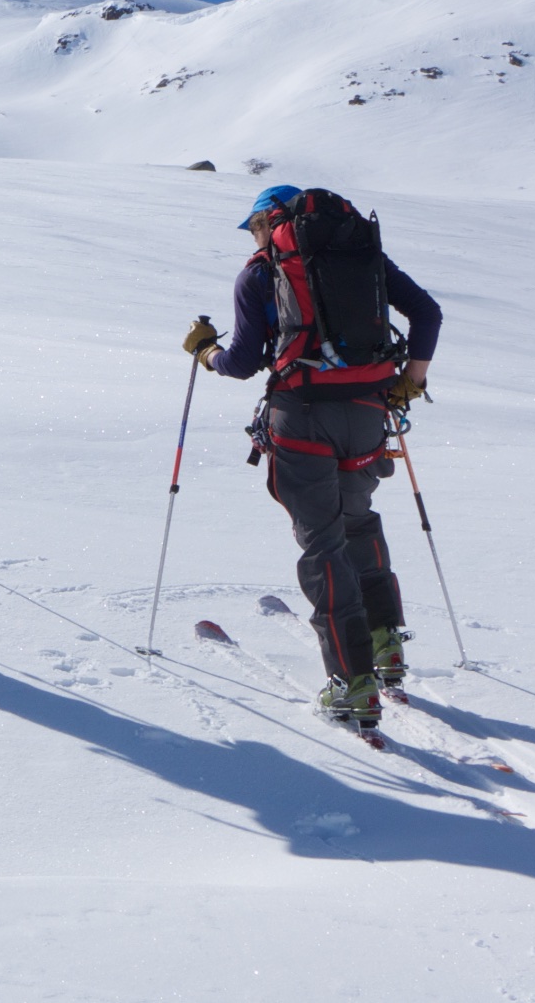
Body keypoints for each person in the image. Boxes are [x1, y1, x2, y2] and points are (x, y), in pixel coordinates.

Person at [182, 184, 440, 728]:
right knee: (359, 521)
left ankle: (352, 684)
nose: (252, 237)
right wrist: (410, 381)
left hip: (301, 416)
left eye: (252, 227)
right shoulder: (363, 256)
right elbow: (427, 312)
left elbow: (243, 361)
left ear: (266, 223)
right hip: (369, 410)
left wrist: (206, 353)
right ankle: (385, 644)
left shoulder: (258, 273)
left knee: (322, 543)